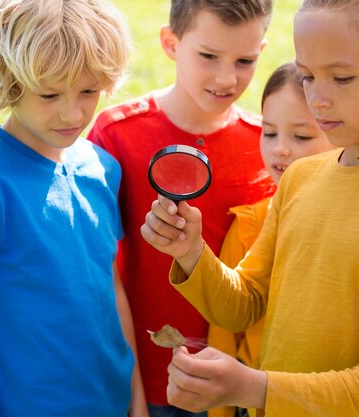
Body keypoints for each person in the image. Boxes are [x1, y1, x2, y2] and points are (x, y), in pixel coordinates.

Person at [140, 0, 359, 416]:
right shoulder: (300, 178)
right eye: (308, 76)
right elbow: (245, 303)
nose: (317, 99)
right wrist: (191, 252)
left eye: (342, 78)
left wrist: (255, 388)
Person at [0, 1, 146, 416]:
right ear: (8, 82)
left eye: (89, 91)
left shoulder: (103, 167)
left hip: (112, 401)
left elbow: (111, 288)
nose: (74, 112)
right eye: (49, 94)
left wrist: (135, 399)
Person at [88, 1, 275, 415]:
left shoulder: (270, 146)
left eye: (244, 60)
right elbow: (97, 271)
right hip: (142, 379)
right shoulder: (116, 135)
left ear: (262, 51)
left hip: (238, 382)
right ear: (171, 43)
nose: (227, 78)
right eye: (208, 56)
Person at [207, 62, 335, 417]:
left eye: (302, 136)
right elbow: (223, 333)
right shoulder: (250, 223)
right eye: (269, 132)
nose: (280, 149)